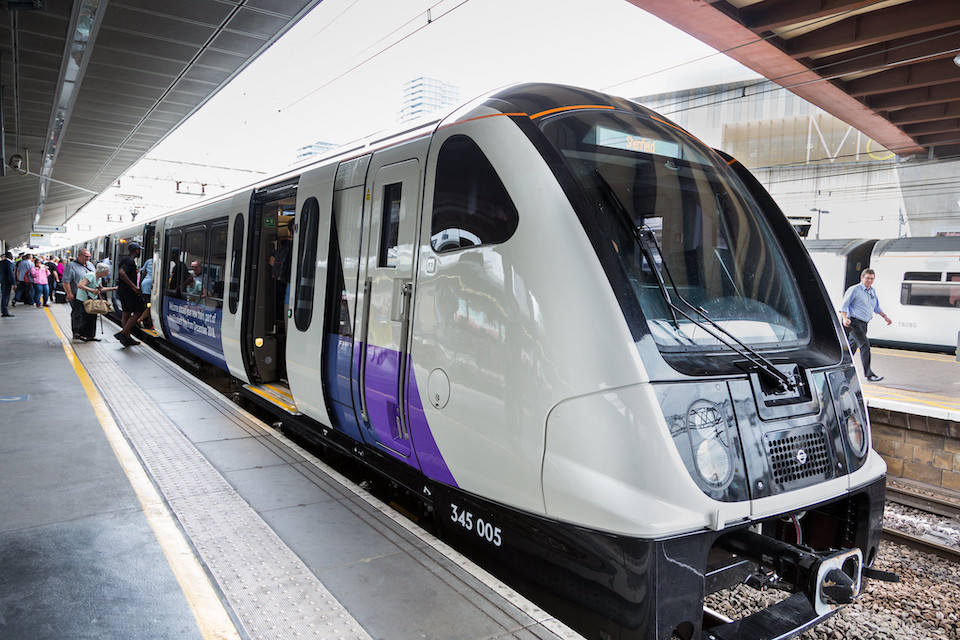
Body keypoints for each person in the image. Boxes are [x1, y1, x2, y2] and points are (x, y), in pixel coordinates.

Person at [840, 268, 892, 382]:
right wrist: (844, 318)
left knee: (851, 348)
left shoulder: (872, 291)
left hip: (864, 324)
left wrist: (885, 317)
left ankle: (840, 369)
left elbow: (876, 307)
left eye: (872, 279)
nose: (869, 281)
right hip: (853, 322)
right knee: (865, 345)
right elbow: (844, 305)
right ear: (862, 278)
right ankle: (869, 375)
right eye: (867, 278)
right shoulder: (854, 289)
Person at [75, 262, 116, 342]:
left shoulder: (99, 278)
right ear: (103, 271)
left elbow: (101, 289)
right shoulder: (91, 275)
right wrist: (92, 290)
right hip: (84, 299)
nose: (108, 273)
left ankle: (91, 336)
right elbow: (80, 285)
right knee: (85, 317)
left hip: (91, 299)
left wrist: (114, 288)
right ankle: (82, 335)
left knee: (92, 317)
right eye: (107, 271)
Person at [115, 243, 143, 347]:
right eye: (139, 250)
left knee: (126, 312)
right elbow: (121, 272)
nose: (140, 252)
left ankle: (127, 337)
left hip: (122, 290)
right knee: (138, 311)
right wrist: (133, 286)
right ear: (136, 251)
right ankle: (123, 333)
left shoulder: (125, 260)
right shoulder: (129, 261)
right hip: (128, 291)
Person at [62, 249, 95, 340]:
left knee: (89, 314)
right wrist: (69, 293)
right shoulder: (70, 265)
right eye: (86, 256)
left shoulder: (90, 265)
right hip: (76, 294)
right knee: (78, 313)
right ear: (79, 256)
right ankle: (77, 333)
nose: (87, 258)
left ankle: (88, 334)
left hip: (90, 295)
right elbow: (66, 281)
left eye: (89, 257)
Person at [138, 255, 154, 329]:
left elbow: (142, 271)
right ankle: (140, 319)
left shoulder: (149, 261)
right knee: (151, 305)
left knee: (147, 304)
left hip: (145, 283)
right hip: (151, 285)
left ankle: (150, 322)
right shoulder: (160, 261)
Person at [1, 251, 16, 317]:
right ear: (11, 257)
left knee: (4, 296)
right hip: (7, 282)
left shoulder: (1, 262)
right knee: (6, 296)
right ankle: (5, 311)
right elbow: (11, 274)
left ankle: (3, 310)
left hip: (2, 281)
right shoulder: (9, 263)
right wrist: (14, 283)